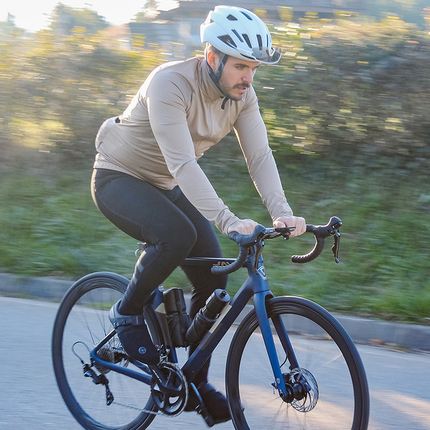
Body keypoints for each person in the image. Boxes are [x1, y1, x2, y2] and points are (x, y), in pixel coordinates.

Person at [91, 4, 306, 424]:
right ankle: (127, 310)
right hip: (119, 177)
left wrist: (282, 212)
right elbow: (183, 164)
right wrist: (229, 220)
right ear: (213, 58)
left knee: (214, 276)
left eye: (254, 67)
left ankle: (197, 381)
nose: (248, 76)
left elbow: (259, 155)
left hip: (166, 186)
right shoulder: (169, 83)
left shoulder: (241, 96)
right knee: (176, 236)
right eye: (241, 65)